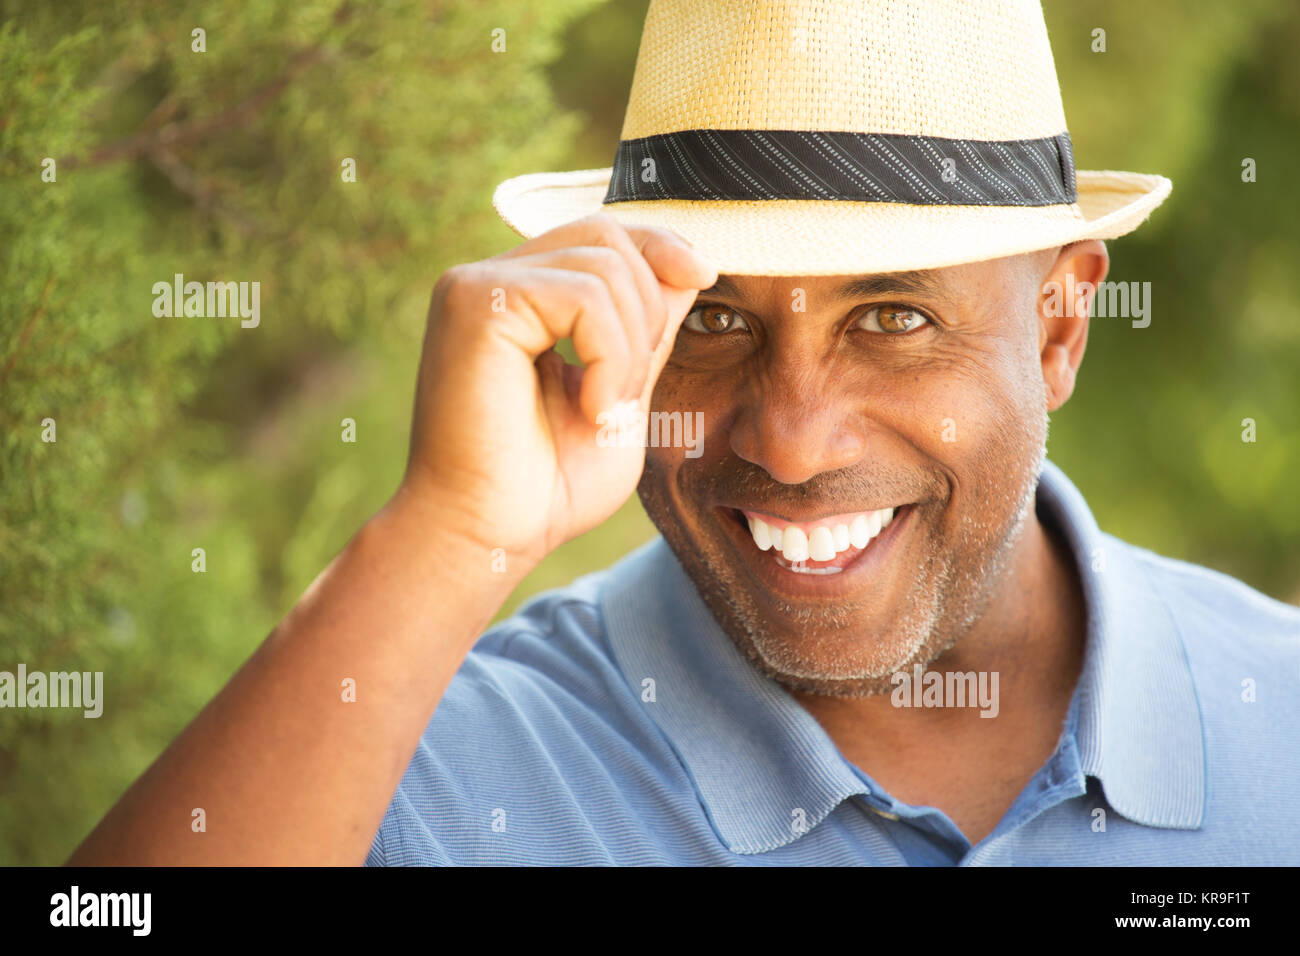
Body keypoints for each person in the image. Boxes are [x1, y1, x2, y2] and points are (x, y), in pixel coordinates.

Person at [70, 0, 1300, 866]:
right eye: (711, 314)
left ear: (1056, 329)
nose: (794, 440)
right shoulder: (440, 769)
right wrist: (444, 533)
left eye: (891, 314)